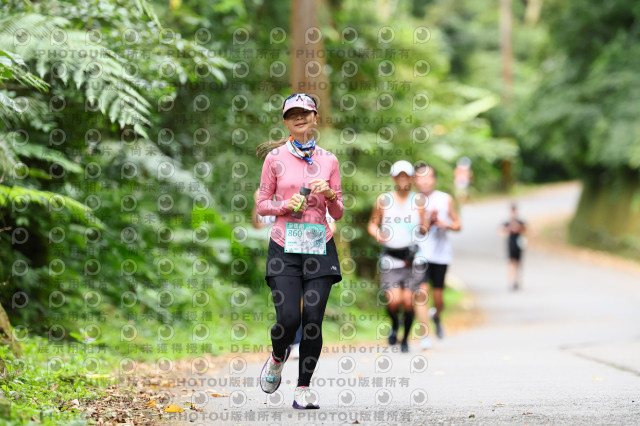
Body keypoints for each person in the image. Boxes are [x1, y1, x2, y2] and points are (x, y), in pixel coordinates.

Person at [255, 93, 343, 410]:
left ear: (315, 117)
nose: (299, 118)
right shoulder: (274, 158)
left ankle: (303, 388)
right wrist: (284, 205)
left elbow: (339, 210)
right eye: (293, 114)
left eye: (305, 113)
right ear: (285, 121)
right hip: (284, 247)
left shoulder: (329, 160)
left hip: (319, 245)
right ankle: (278, 357)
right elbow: (262, 204)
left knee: (313, 320)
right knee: (289, 318)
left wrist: (330, 194)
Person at [251, 189, 337, 360]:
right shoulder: (282, 198)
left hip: (314, 258)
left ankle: (298, 342)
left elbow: (332, 227)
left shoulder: (318, 194)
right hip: (285, 259)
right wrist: (257, 203)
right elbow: (258, 224)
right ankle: (286, 344)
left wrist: (308, 235)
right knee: (290, 304)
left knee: (307, 303)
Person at [367, 160, 427, 353]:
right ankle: (394, 325)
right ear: (393, 178)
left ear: (411, 178)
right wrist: (377, 233)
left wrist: (427, 225)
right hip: (390, 258)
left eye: (406, 176)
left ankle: (405, 340)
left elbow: (424, 227)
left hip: (412, 258)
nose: (402, 179)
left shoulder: (419, 201)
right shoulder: (383, 200)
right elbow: (372, 224)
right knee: (393, 300)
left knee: (408, 301)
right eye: (398, 175)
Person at [413, 163, 461, 350]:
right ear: (415, 180)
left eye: (428, 177)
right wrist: (426, 222)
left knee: (439, 299)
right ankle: (424, 336)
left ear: (434, 179)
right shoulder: (412, 201)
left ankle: (437, 315)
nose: (425, 181)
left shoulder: (445, 199)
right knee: (421, 294)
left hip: (441, 256)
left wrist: (444, 224)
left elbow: (457, 224)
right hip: (420, 255)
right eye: (421, 177)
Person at [500, 203, 526, 291]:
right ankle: (511, 280)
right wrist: (508, 230)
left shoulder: (520, 223)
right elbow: (501, 232)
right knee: (511, 263)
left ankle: (516, 280)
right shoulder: (507, 223)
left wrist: (518, 228)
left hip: (518, 245)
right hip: (510, 245)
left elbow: (525, 231)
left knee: (518, 263)